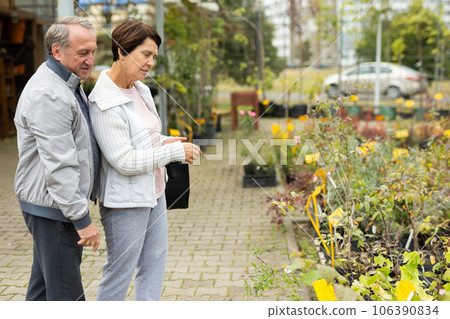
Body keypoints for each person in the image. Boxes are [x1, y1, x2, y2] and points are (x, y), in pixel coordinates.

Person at [89, 19, 201, 301]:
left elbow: (145, 137)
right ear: (121, 51)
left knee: (154, 264)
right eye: (145, 54)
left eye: (154, 57)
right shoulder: (104, 101)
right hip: (126, 202)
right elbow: (123, 160)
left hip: (155, 192)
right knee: (120, 272)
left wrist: (167, 141)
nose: (151, 63)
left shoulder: (140, 89)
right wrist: (174, 153)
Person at [14, 17, 100, 301]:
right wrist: (82, 219)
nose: (90, 60)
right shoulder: (49, 94)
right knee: (67, 297)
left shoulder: (67, 81)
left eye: (93, 51)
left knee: (42, 293)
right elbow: (60, 166)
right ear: (57, 51)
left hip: (53, 207)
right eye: (82, 53)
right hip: (55, 210)